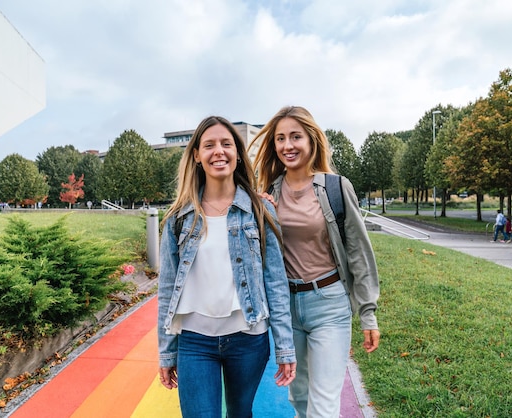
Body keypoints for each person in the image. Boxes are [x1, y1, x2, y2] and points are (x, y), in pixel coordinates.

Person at [157, 115, 296, 418]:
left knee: (239, 413)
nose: (218, 151)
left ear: (237, 154)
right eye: (209, 145)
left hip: (248, 339)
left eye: (226, 144)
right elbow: (167, 289)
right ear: (196, 155)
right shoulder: (179, 218)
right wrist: (167, 351)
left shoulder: (261, 210)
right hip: (194, 341)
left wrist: (285, 346)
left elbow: (275, 282)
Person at [250, 105, 380, 418]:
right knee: (300, 400)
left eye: (295, 136)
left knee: (322, 406)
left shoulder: (335, 187)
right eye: (280, 138)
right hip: (287, 309)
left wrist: (368, 313)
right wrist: (258, 209)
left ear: (311, 140)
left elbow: (359, 253)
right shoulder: (268, 192)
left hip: (329, 305)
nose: (287, 145)